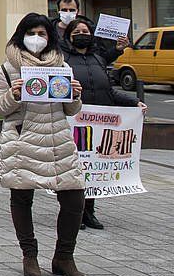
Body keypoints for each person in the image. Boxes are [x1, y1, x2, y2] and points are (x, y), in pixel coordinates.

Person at [0, 13, 88, 276]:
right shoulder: (8, 69)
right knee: (22, 197)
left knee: (74, 197)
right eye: (31, 32)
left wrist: (75, 95)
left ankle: (64, 257)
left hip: (58, 140)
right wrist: (14, 95)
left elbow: (71, 109)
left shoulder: (61, 66)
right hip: (23, 139)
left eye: (42, 33)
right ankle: (29, 255)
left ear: (50, 37)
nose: (36, 38)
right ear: (21, 35)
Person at [63, 16, 147, 231]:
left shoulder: (98, 59)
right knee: (75, 169)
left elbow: (109, 91)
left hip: (99, 125)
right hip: (74, 122)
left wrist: (134, 102)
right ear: (68, 36)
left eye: (85, 32)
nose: (82, 35)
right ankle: (74, 213)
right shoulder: (62, 59)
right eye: (77, 32)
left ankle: (89, 212)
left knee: (93, 168)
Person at [54, 0, 126, 63]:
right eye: (64, 10)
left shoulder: (92, 31)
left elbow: (102, 59)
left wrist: (117, 50)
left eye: (72, 10)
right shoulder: (49, 30)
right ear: (58, 10)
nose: (68, 13)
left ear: (77, 11)